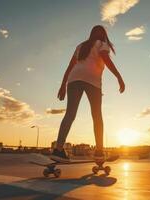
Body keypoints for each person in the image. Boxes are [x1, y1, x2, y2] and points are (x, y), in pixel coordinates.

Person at [50, 25, 125, 162]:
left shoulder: (81, 46)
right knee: (97, 116)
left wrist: (63, 85)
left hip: (74, 79)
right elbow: (106, 60)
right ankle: (99, 152)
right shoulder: (102, 44)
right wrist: (119, 77)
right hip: (92, 81)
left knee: (70, 114)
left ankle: (58, 150)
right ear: (103, 35)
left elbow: (70, 66)